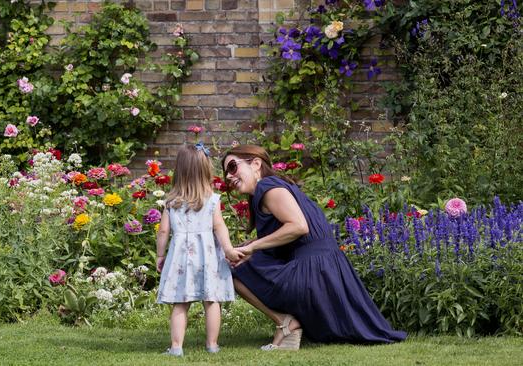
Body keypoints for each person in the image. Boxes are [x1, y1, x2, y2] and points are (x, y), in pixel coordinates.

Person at [221, 144, 407, 350]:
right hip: (329, 271)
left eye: (232, 167)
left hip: (312, 273)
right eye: (225, 172)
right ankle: (295, 323)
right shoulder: (274, 186)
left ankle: (286, 323)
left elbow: (298, 226)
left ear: (256, 164)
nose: (228, 176)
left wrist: (253, 247)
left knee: (231, 267)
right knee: (238, 258)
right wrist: (249, 246)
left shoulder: (268, 188)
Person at [156, 143, 243, 356]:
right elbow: (219, 226)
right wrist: (228, 248)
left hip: (179, 258)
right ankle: (212, 344)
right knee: (211, 301)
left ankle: (176, 347)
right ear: (205, 171)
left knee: (180, 303)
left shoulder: (171, 202)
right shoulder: (212, 201)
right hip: (209, 257)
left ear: (179, 172)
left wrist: (160, 255)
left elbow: (163, 232)